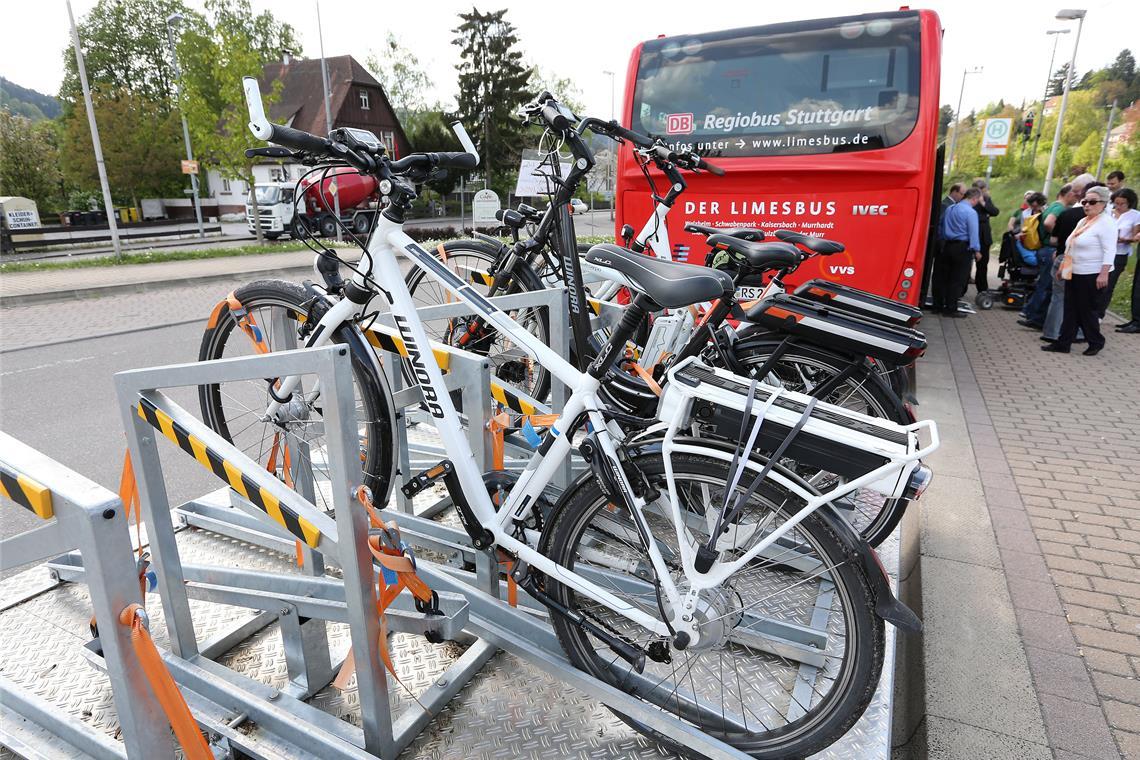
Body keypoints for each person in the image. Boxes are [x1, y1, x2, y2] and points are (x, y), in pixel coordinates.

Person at [1043, 185, 1117, 355]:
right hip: (1075, 270)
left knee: (1086, 309)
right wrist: (1064, 267)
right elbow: (1072, 244)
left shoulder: (1107, 223)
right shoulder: (1083, 221)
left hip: (1092, 273)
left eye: (1092, 202)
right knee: (1070, 308)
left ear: (1103, 204)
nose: (1087, 205)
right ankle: (1064, 343)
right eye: (1085, 201)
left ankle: (1096, 341)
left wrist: (1104, 273)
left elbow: (1109, 250)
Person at [1041, 174, 1096, 341]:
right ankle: (1075, 332)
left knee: (1058, 297)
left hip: (1063, 257)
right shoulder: (1091, 219)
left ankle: (1051, 332)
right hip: (1078, 262)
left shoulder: (1067, 214)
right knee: (1076, 298)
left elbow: (1055, 238)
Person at [1020, 184, 1074, 328]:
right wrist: (1057, 235)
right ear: (1066, 194)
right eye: (1074, 194)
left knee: (1043, 284)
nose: (1076, 197)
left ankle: (1033, 314)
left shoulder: (1052, 206)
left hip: (1043, 250)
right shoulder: (1059, 208)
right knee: (1046, 285)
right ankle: (1032, 314)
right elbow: (1049, 222)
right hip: (1050, 249)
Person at [933, 187, 981, 317]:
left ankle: (937, 306)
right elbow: (973, 232)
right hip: (962, 248)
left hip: (947, 245)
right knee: (957, 279)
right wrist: (977, 250)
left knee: (943, 277)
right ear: (974, 198)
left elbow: (942, 226)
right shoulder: (970, 212)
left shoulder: (950, 208)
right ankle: (950, 308)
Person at [1106, 187, 1140, 324]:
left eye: (1122, 204)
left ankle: (1099, 313)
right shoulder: (1108, 212)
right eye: (1116, 203)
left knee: (1109, 284)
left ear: (1129, 203)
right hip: (1105, 251)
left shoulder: (1135, 215)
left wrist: (1124, 239)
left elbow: (1135, 236)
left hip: (1120, 252)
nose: (1118, 206)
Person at [971, 179, 1000, 293]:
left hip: (984, 236)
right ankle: (961, 289)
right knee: (967, 263)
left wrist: (984, 203)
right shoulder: (969, 200)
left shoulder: (986, 199)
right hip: (973, 233)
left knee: (983, 265)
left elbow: (995, 211)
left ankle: (982, 289)